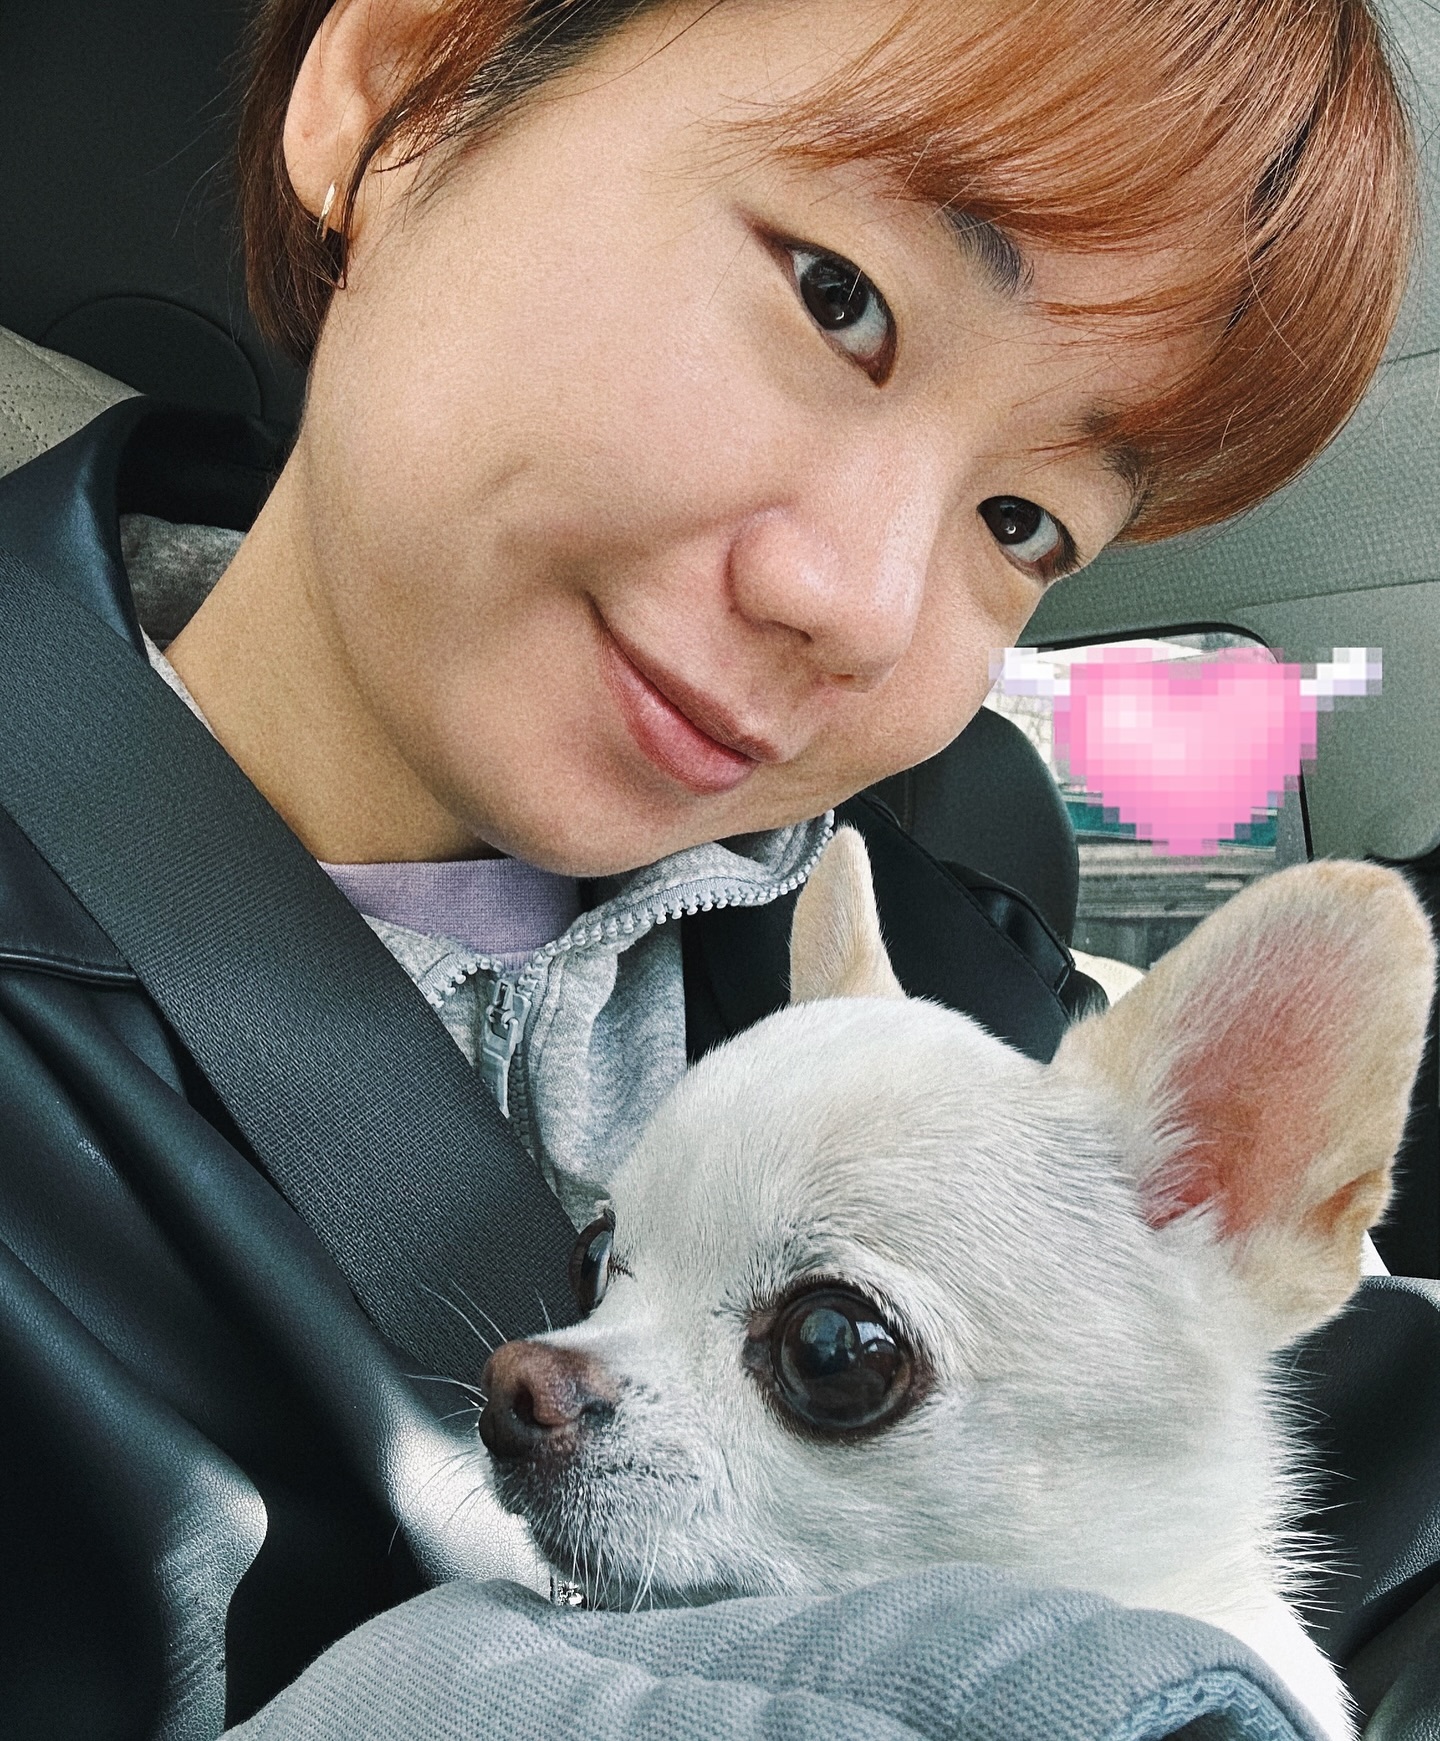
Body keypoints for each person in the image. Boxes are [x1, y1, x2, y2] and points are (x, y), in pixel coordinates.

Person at [0, 0, 1417, 1735]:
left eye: (1022, 521)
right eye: (840, 298)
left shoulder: (964, 972)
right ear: (402, 83)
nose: (862, 603)